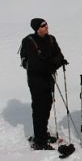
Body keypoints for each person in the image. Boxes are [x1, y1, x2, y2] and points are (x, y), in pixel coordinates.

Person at [21, 17, 67, 150]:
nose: (46, 27)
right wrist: (53, 63)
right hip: (36, 80)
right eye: (42, 26)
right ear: (36, 29)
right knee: (39, 108)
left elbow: (59, 56)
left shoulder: (51, 39)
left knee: (47, 105)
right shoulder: (29, 42)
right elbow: (35, 63)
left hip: (49, 78)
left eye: (46, 24)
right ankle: (39, 141)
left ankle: (42, 134)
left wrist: (54, 63)